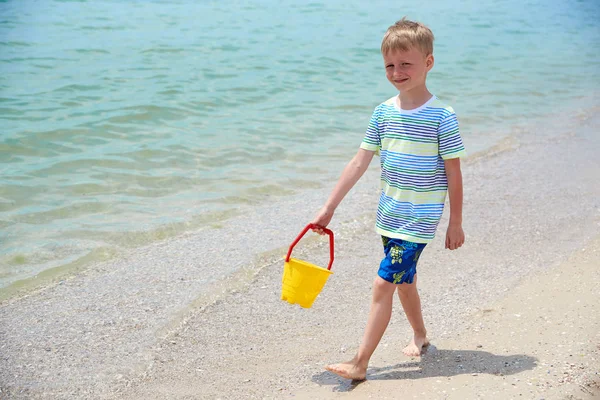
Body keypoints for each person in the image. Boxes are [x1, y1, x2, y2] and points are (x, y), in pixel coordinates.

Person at [311, 18, 466, 381]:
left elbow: (454, 173)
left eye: (406, 64)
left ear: (428, 62)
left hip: (420, 217)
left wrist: (454, 221)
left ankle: (360, 362)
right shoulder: (382, 112)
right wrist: (329, 207)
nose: (397, 72)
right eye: (390, 66)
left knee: (384, 282)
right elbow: (360, 161)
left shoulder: (442, 116)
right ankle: (421, 337)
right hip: (390, 213)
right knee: (404, 281)